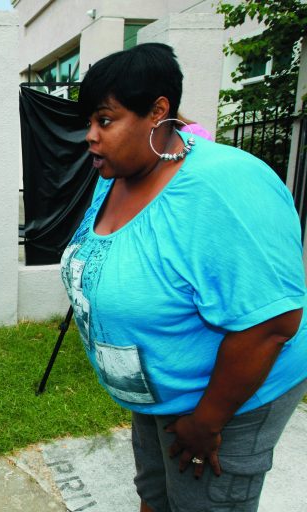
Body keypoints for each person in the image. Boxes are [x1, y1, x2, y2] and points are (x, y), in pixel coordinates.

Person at [61, 42, 307, 512]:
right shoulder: (115, 175)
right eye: (88, 123)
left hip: (226, 401)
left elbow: (272, 321)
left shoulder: (225, 187)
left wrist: (208, 420)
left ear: (158, 112)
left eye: (104, 120)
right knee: (155, 493)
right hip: (160, 396)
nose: (90, 136)